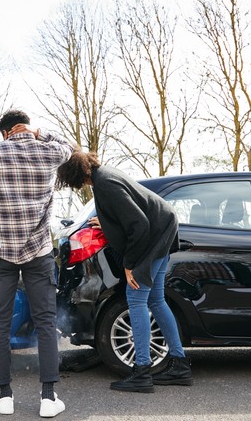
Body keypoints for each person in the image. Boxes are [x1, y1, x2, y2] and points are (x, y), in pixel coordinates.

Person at [0, 109, 73, 417]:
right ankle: (48, 397)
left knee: (2, 323)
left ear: (4, 132)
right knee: (46, 323)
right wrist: (41, 134)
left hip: (1, 250)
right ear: (26, 128)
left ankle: (4, 395)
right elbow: (69, 147)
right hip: (38, 251)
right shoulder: (48, 150)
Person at [55, 149, 193, 393]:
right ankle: (180, 365)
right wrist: (107, 223)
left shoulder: (105, 184)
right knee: (156, 300)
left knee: (136, 299)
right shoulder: (104, 175)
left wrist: (130, 265)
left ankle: (142, 372)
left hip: (153, 235)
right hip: (162, 229)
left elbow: (138, 225)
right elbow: (128, 216)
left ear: (74, 175)